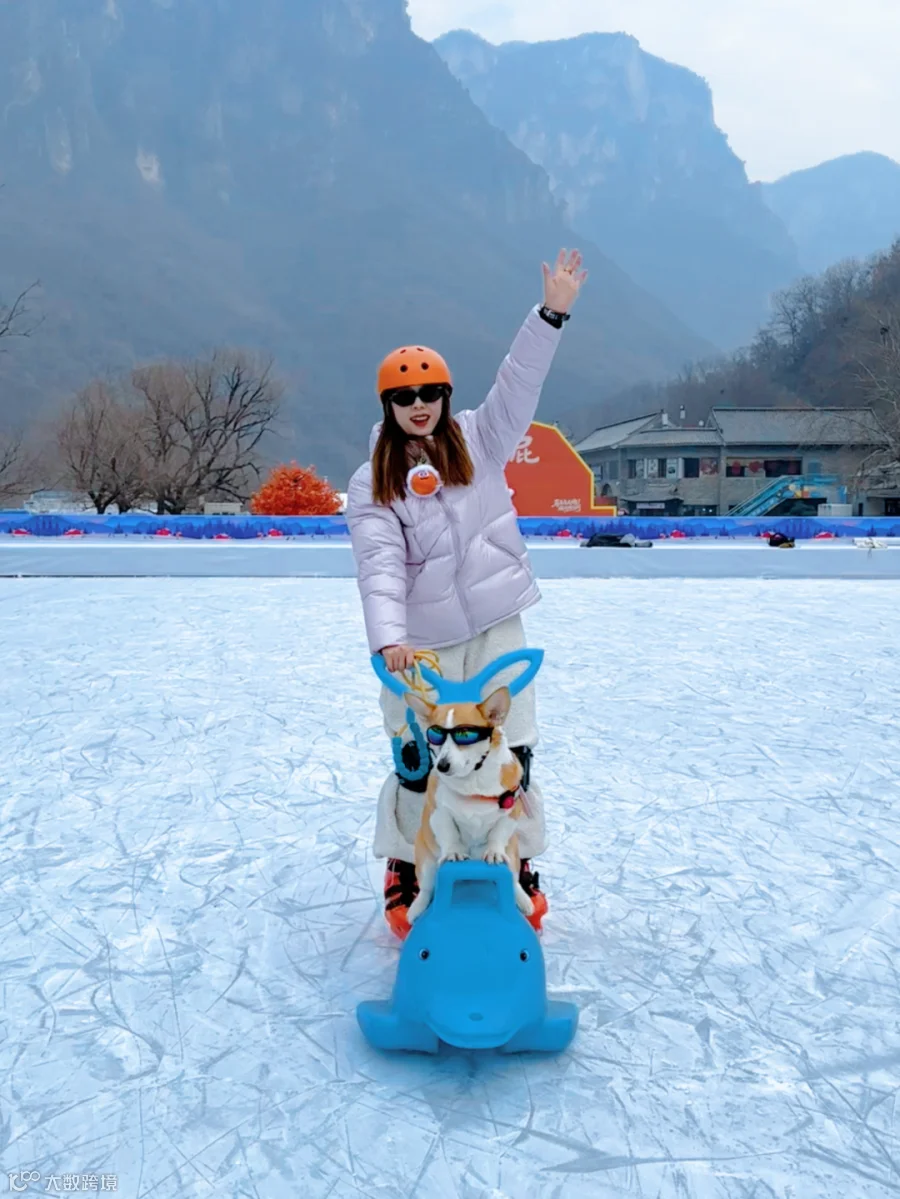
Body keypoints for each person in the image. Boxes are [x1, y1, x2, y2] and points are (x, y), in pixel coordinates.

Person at [346, 249, 588, 938]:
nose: (419, 405)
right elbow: (379, 566)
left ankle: (518, 859)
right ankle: (406, 860)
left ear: (446, 397)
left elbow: (519, 380)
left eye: (430, 393)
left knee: (513, 749)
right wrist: (390, 640)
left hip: (494, 623)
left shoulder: (482, 438)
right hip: (420, 646)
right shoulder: (371, 482)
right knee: (417, 757)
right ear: (388, 406)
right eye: (404, 397)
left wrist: (551, 314)